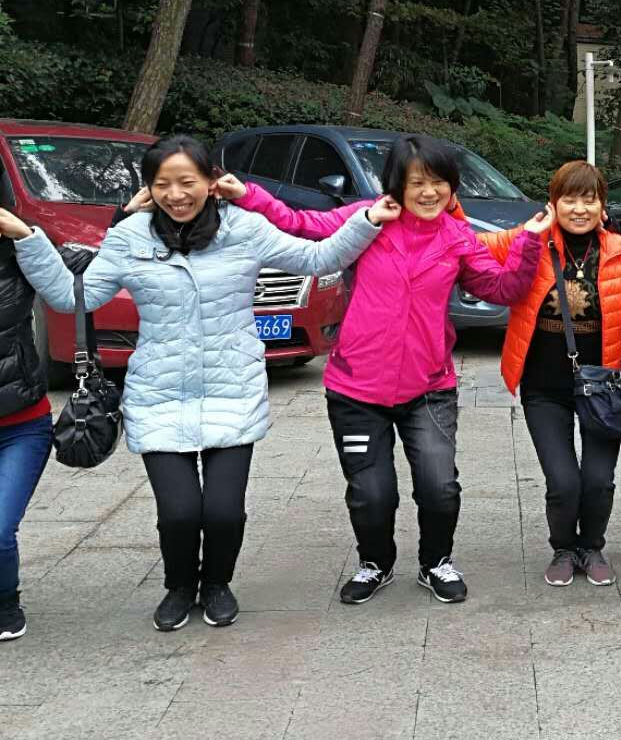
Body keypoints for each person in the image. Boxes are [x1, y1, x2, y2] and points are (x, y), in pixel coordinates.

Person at [0, 136, 388, 631]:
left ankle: (217, 584)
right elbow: (74, 296)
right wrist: (27, 237)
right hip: (159, 393)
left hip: (232, 389)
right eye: (163, 184)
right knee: (180, 513)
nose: (176, 194)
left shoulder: (244, 227)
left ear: (211, 182)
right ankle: (180, 587)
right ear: (148, 188)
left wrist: (367, 220)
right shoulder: (131, 236)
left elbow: (318, 259)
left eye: (187, 182)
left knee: (224, 512)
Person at [215, 135, 550, 604]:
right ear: (397, 184)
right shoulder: (366, 219)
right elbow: (301, 224)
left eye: (439, 182)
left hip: (429, 388)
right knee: (371, 494)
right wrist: (248, 194)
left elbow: (503, 289)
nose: (429, 192)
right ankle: (375, 563)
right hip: (356, 388)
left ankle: (436, 562)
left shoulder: (457, 237)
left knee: (439, 488)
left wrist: (529, 241)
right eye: (417, 183)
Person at [478, 161, 621, 589]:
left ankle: (591, 547)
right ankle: (562, 548)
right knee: (563, 482)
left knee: (598, 480)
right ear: (553, 204)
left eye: (589, 200)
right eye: (569, 199)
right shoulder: (531, 239)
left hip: (602, 386)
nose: (579, 209)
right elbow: (470, 245)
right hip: (543, 386)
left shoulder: (620, 250)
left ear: (602, 205)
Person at [0, 224, 56, 641]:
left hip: (22, 425)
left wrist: (24, 234)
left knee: (0, 529)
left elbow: (79, 278)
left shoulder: (17, 255)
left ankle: (6, 602)